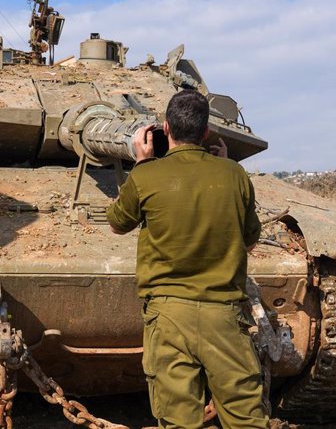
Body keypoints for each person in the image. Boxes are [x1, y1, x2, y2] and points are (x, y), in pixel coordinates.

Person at [106, 89, 267, 429]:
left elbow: (118, 223)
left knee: (178, 420)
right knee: (246, 418)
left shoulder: (146, 176)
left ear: (165, 129)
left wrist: (141, 162)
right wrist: (224, 163)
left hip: (168, 317)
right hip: (224, 315)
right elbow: (250, 238)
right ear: (207, 132)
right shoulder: (234, 175)